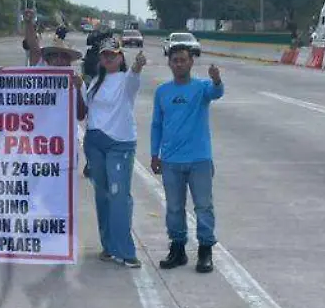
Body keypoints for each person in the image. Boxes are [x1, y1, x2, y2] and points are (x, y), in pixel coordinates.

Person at [151, 45, 224, 274]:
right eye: (175, 60)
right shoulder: (162, 91)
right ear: (169, 63)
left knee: (203, 206)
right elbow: (156, 125)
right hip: (171, 160)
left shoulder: (202, 88)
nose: (179, 64)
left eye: (183, 60)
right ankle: (178, 248)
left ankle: (205, 249)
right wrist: (155, 154)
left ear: (191, 62)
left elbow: (217, 92)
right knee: (174, 207)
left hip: (199, 159)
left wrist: (216, 79)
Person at [84, 38, 147, 268]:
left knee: (118, 195)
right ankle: (108, 246)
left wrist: (138, 65)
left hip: (119, 144)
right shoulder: (95, 83)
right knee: (102, 196)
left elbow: (134, 76)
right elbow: (84, 110)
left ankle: (126, 250)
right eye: (104, 55)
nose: (108, 57)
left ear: (121, 57)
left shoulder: (126, 80)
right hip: (94, 142)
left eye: (113, 54)